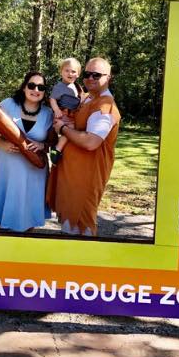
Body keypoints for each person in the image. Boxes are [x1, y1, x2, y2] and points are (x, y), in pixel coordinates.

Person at [47, 56, 121, 237]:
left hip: (86, 177)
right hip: (71, 174)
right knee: (68, 224)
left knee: (82, 227)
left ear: (108, 78)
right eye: (87, 74)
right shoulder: (87, 98)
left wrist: (63, 128)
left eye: (96, 75)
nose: (90, 78)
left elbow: (91, 142)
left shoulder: (104, 105)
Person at [0, 72, 52, 233]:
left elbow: (53, 142)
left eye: (41, 87)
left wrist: (42, 145)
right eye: (31, 85)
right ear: (23, 87)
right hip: (7, 167)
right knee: (0, 219)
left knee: (28, 218)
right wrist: (2, 143)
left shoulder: (48, 113)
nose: (36, 89)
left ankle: (23, 252)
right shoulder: (8, 105)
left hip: (34, 172)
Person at [47, 57, 81, 165]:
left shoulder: (76, 87)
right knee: (70, 130)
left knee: (72, 130)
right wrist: (56, 109)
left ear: (78, 74)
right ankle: (57, 149)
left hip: (71, 116)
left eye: (73, 71)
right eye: (66, 70)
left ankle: (56, 146)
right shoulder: (59, 87)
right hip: (62, 115)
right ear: (61, 72)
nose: (70, 73)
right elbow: (52, 99)